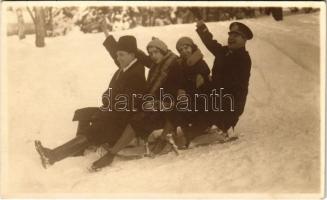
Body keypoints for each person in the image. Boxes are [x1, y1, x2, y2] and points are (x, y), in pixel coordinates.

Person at [34, 35, 147, 170]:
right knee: (84, 113)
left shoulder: (136, 74)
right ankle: (77, 150)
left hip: (121, 120)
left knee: (95, 129)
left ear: (132, 54)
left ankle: (52, 156)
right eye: (117, 55)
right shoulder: (126, 67)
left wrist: (106, 107)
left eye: (121, 55)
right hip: (113, 111)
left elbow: (127, 103)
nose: (118, 58)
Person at [93, 36, 185, 168]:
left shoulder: (174, 66)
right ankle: (119, 141)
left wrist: (157, 103)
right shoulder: (156, 65)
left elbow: (176, 94)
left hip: (169, 108)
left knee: (137, 119)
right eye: (151, 53)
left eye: (156, 52)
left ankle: (112, 154)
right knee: (132, 111)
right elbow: (131, 53)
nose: (153, 56)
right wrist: (110, 40)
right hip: (153, 103)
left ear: (163, 52)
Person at [196, 20, 253, 139]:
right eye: (230, 35)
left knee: (219, 99)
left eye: (236, 36)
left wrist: (207, 85)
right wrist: (202, 28)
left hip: (231, 101)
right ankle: (208, 124)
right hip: (218, 95)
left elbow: (232, 86)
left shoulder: (243, 59)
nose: (231, 38)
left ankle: (225, 126)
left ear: (244, 40)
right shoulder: (224, 51)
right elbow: (210, 43)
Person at [174, 36, 211, 147]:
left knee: (184, 107)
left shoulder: (199, 62)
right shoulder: (182, 64)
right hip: (191, 96)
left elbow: (202, 81)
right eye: (181, 50)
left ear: (192, 47)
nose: (184, 51)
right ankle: (188, 132)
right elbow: (182, 80)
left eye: (186, 47)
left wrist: (186, 92)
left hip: (203, 98)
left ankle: (192, 133)